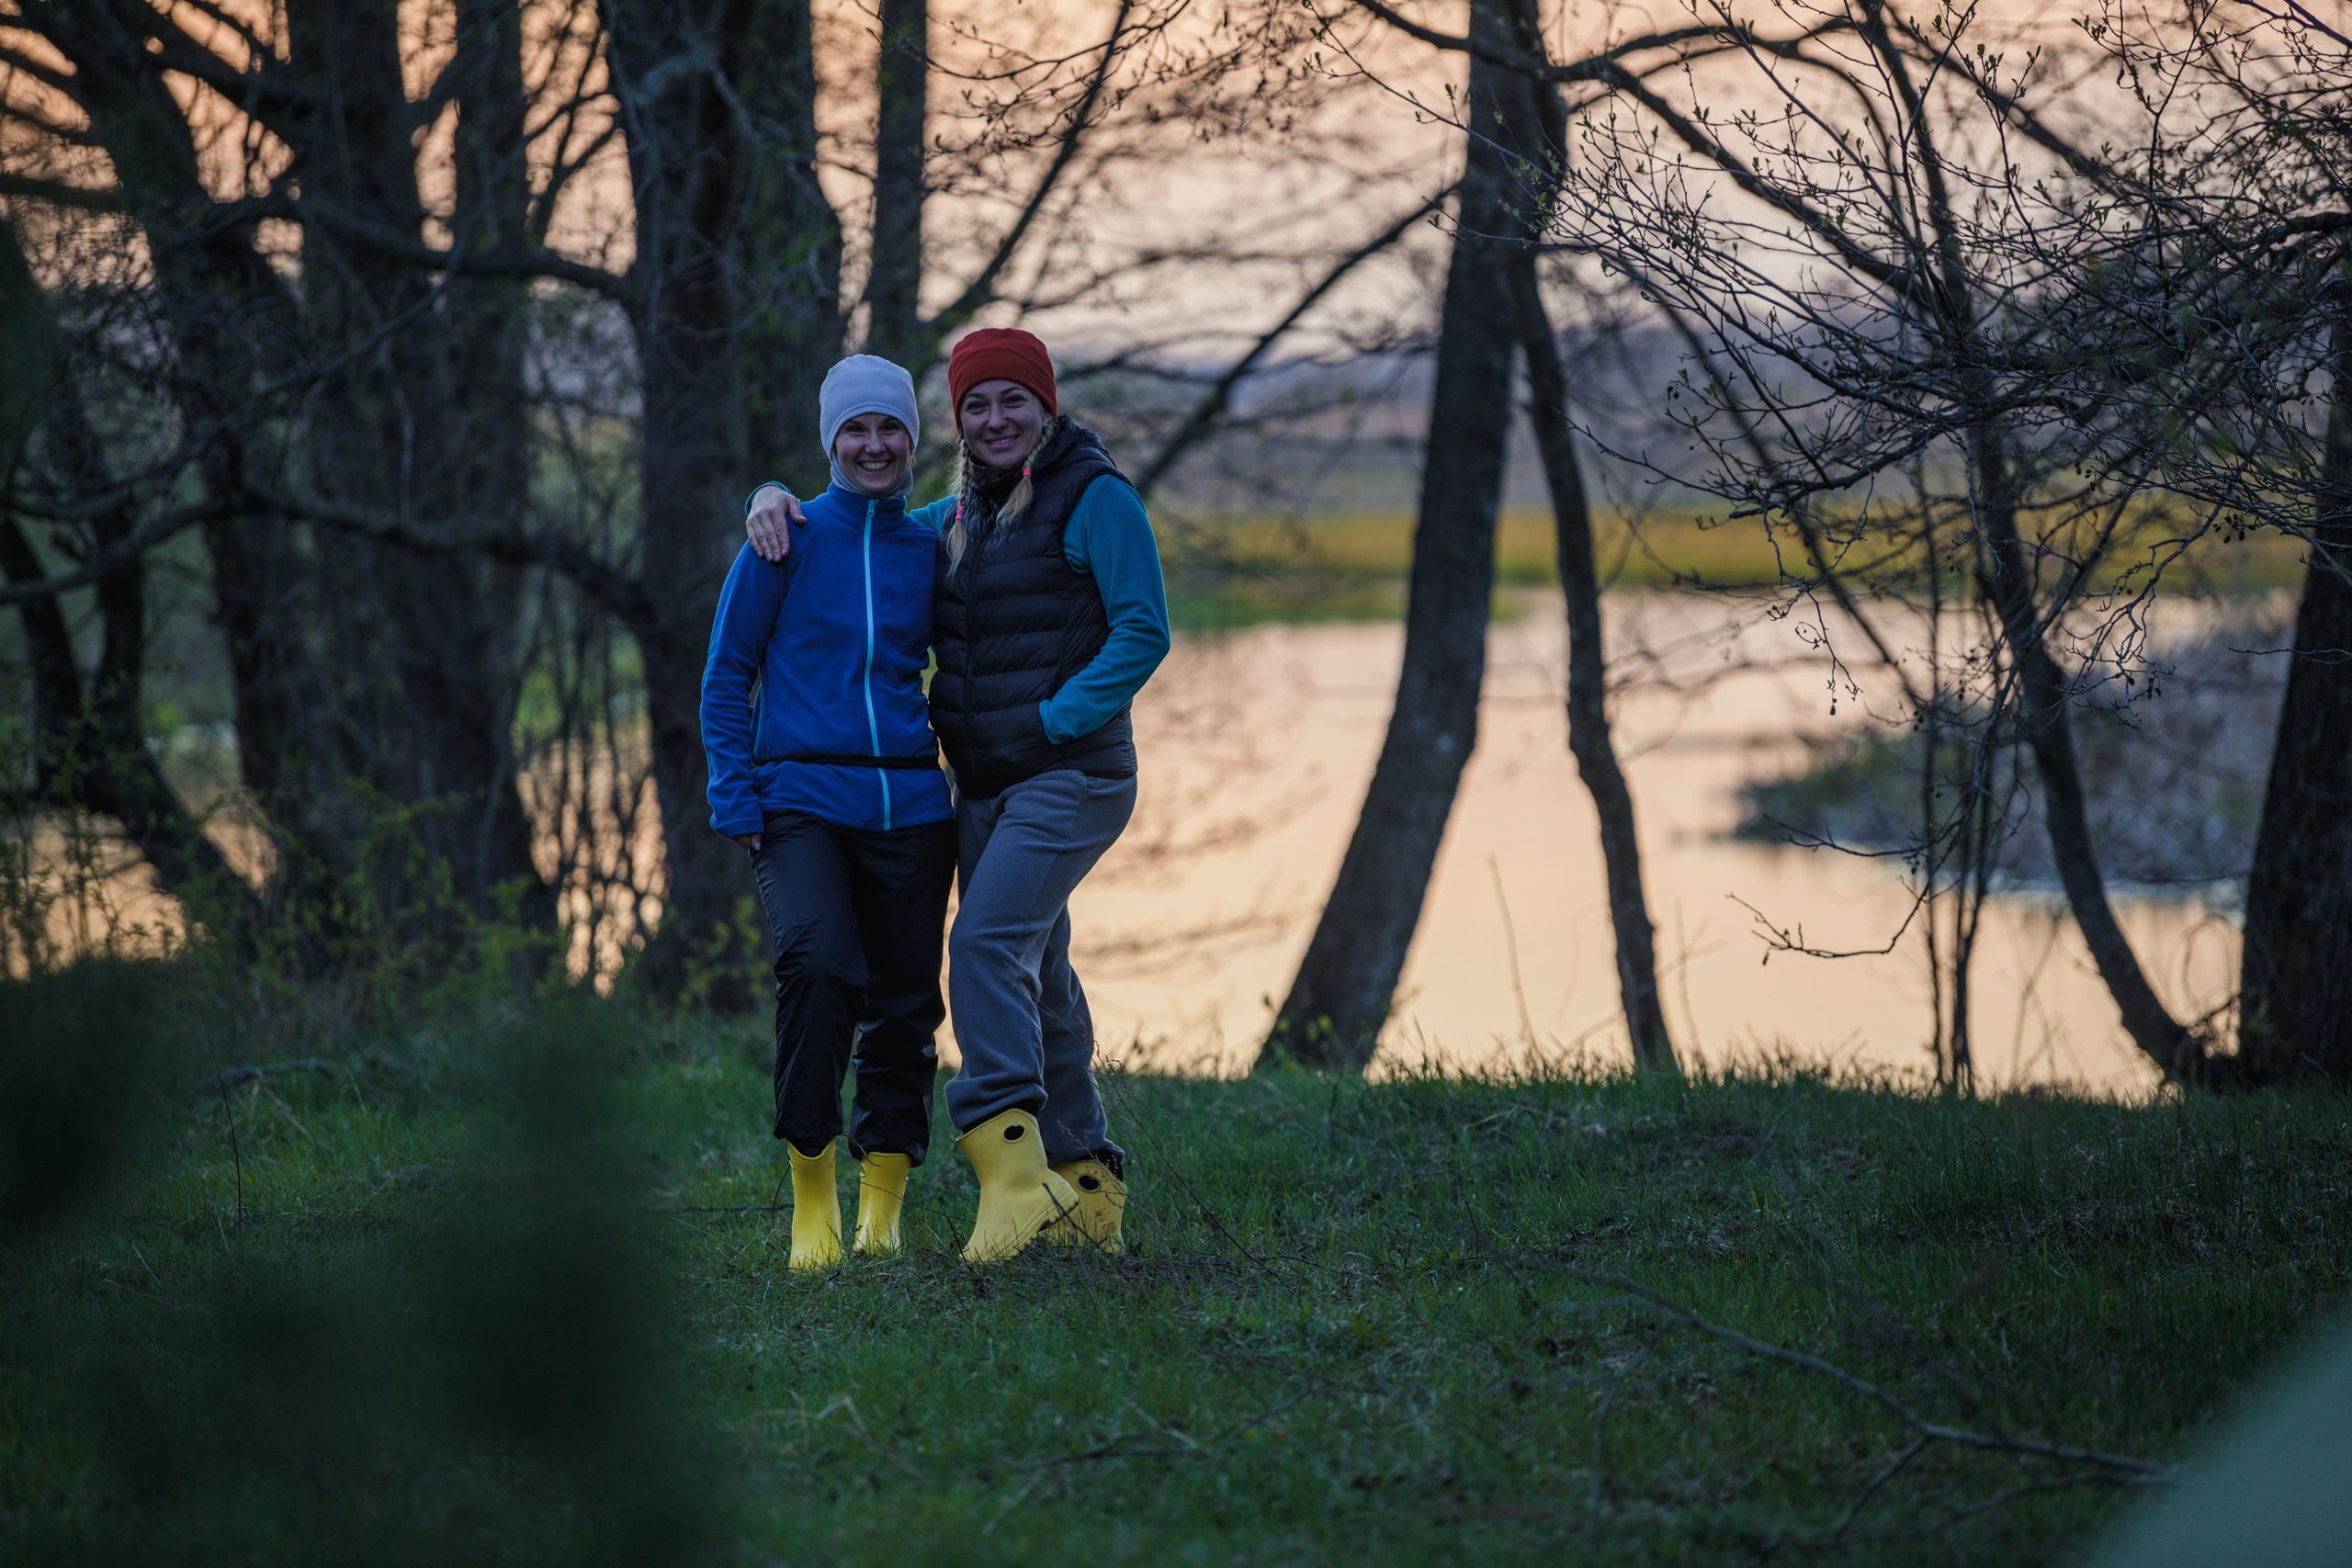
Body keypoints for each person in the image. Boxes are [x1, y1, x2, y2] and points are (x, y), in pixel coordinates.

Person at [744, 327, 1170, 1261]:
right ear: (958, 425)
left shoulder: (1095, 499)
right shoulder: (956, 516)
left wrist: (1056, 719)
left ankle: (1011, 1176)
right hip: (983, 782)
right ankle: (1090, 1184)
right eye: (975, 405)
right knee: (1037, 966)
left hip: (1073, 771)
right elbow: (862, 520)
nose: (994, 418)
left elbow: (1143, 631)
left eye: (1012, 399)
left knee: (980, 942)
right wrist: (771, 497)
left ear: (1046, 406)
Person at [702, 355, 955, 1271]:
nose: (875, 444)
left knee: (904, 1005)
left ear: (912, 441)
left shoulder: (930, 545)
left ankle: (882, 1215)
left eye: (890, 429)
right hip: (798, 797)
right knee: (815, 963)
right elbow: (728, 673)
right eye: (856, 429)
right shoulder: (783, 537)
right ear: (831, 441)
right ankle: (812, 1199)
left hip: (912, 806)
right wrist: (735, 794)